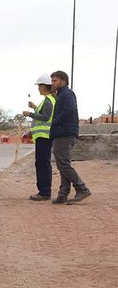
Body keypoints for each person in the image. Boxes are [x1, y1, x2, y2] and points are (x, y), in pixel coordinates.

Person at [49, 70, 92, 204]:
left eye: (55, 80)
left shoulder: (66, 93)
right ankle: (63, 194)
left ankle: (82, 188)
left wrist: (55, 122)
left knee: (63, 164)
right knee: (63, 164)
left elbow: (69, 110)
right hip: (63, 133)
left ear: (63, 81)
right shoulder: (62, 94)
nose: (52, 83)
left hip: (65, 133)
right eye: (52, 81)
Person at [22, 74, 56, 201]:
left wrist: (30, 114)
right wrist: (35, 108)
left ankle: (44, 192)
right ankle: (44, 191)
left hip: (44, 136)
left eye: (39, 86)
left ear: (43, 86)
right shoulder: (49, 100)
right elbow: (45, 113)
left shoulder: (48, 100)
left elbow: (45, 117)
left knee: (42, 164)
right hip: (44, 137)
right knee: (43, 163)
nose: (38, 88)